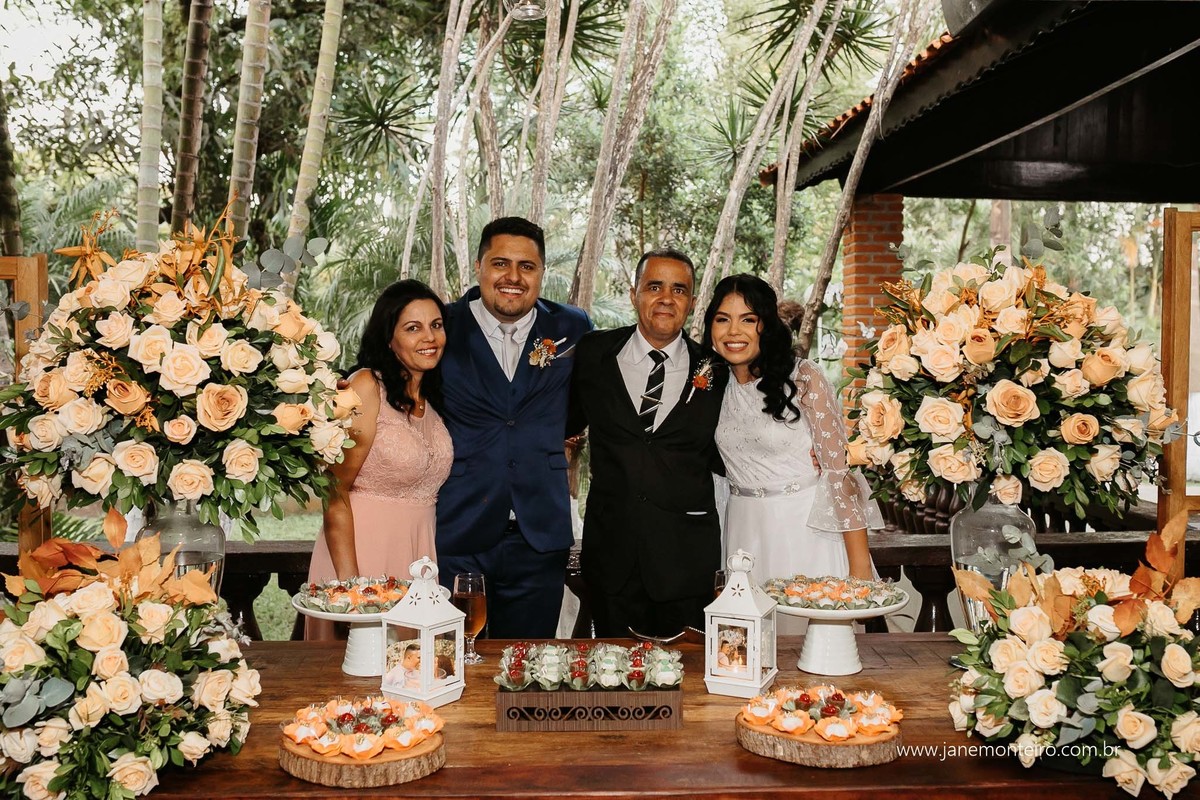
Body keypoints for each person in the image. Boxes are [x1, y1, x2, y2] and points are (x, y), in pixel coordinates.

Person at [436, 216, 592, 639]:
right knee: (453, 657)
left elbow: (586, 401)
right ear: (479, 266)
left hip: (539, 532)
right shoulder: (443, 326)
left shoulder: (572, 327)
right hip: (460, 525)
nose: (513, 277)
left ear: (541, 272)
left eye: (527, 266)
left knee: (527, 662)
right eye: (500, 263)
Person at [568, 248, 726, 638]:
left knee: (686, 672)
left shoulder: (717, 370)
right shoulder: (593, 353)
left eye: (679, 289)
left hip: (686, 559)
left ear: (692, 301)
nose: (666, 299)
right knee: (612, 669)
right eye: (654, 287)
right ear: (634, 293)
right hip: (611, 557)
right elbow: (562, 422)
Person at [704, 273, 880, 585]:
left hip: (806, 533)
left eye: (748, 320)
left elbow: (839, 473)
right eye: (722, 319)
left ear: (767, 325)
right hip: (742, 534)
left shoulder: (804, 377)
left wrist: (860, 569)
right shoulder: (712, 384)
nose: (733, 331)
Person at [305, 280, 453, 640]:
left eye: (436, 325)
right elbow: (334, 490)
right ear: (389, 337)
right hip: (361, 555)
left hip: (418, 561)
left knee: (411, 667)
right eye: (413, 328)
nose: (429, 337)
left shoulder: (431, 399)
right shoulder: (367, 386)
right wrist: (352, 587)